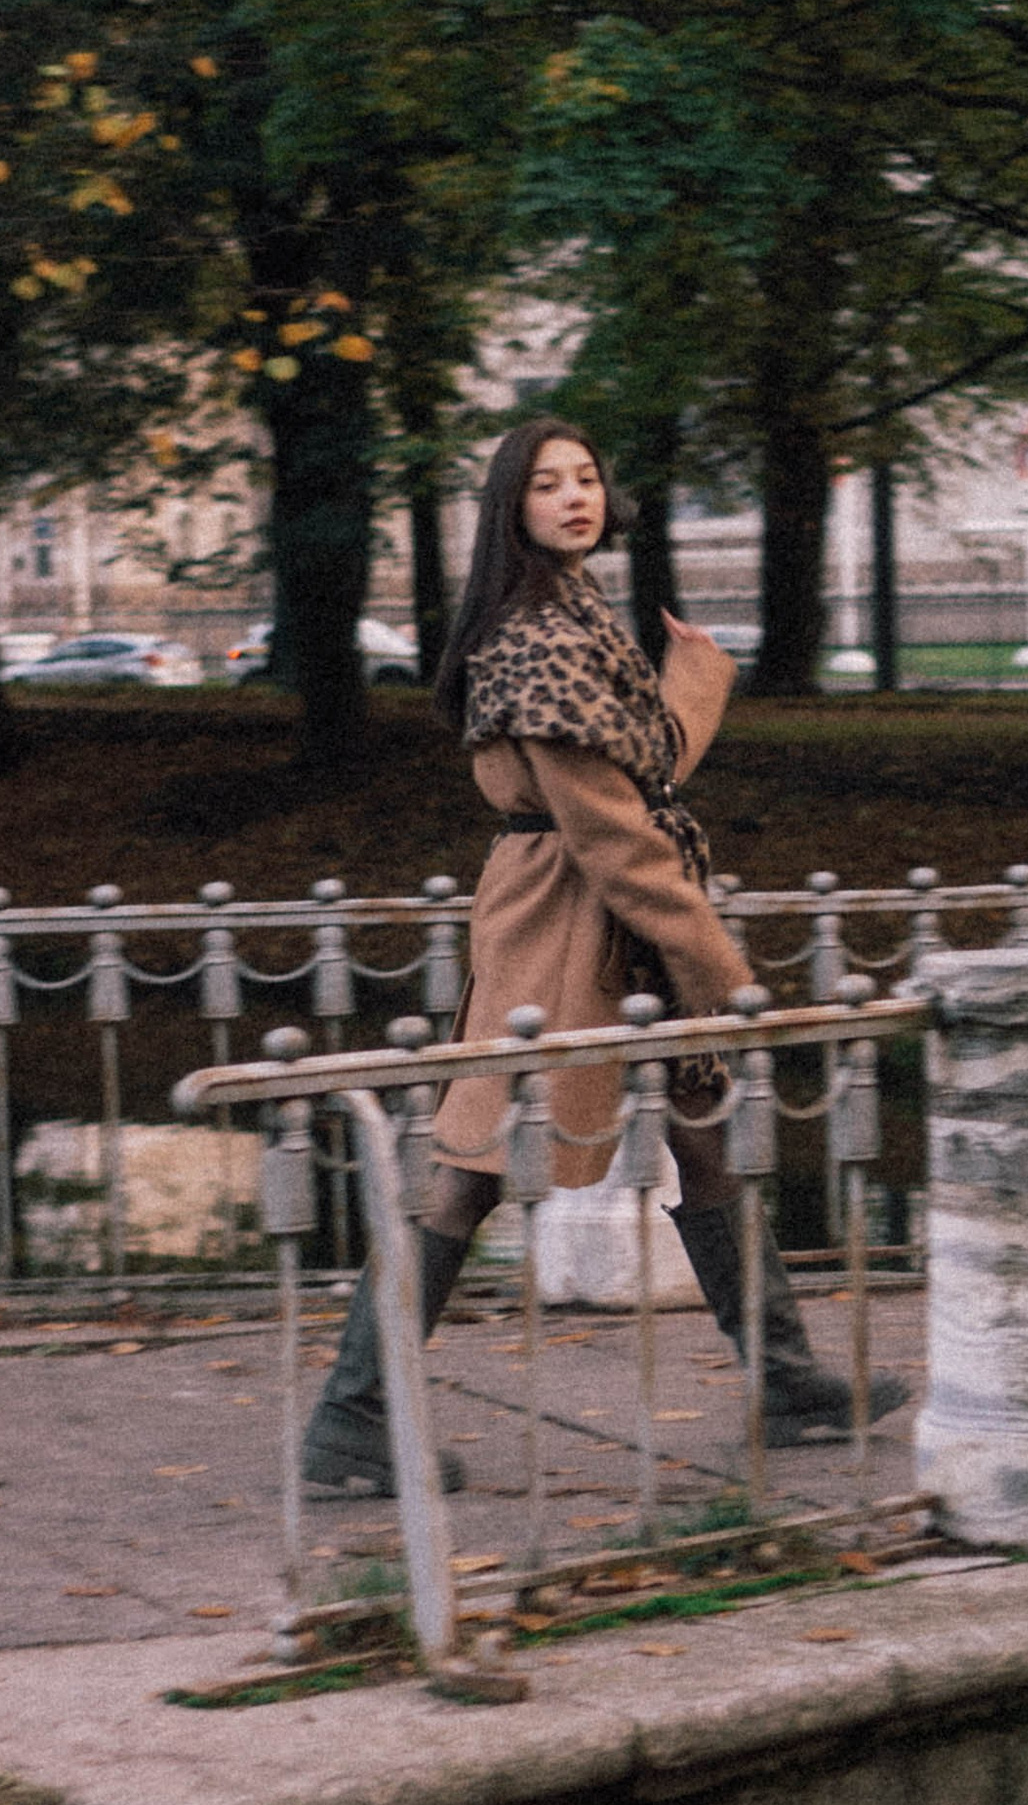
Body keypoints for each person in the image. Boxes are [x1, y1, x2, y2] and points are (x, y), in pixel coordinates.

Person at [301, 418, 907, 1493]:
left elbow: (643, 774)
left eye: (587, 477)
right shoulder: (533, 638)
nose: (576, 496)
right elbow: (613, 833)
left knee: (706, 1135)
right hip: (560, 916)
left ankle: (788, 1381)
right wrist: (724, 973)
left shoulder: (576, 611)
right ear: (511, 507)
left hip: (613, 914)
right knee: (473, 1163)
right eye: (547, 484)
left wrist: (694, 678)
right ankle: (353, 1416)